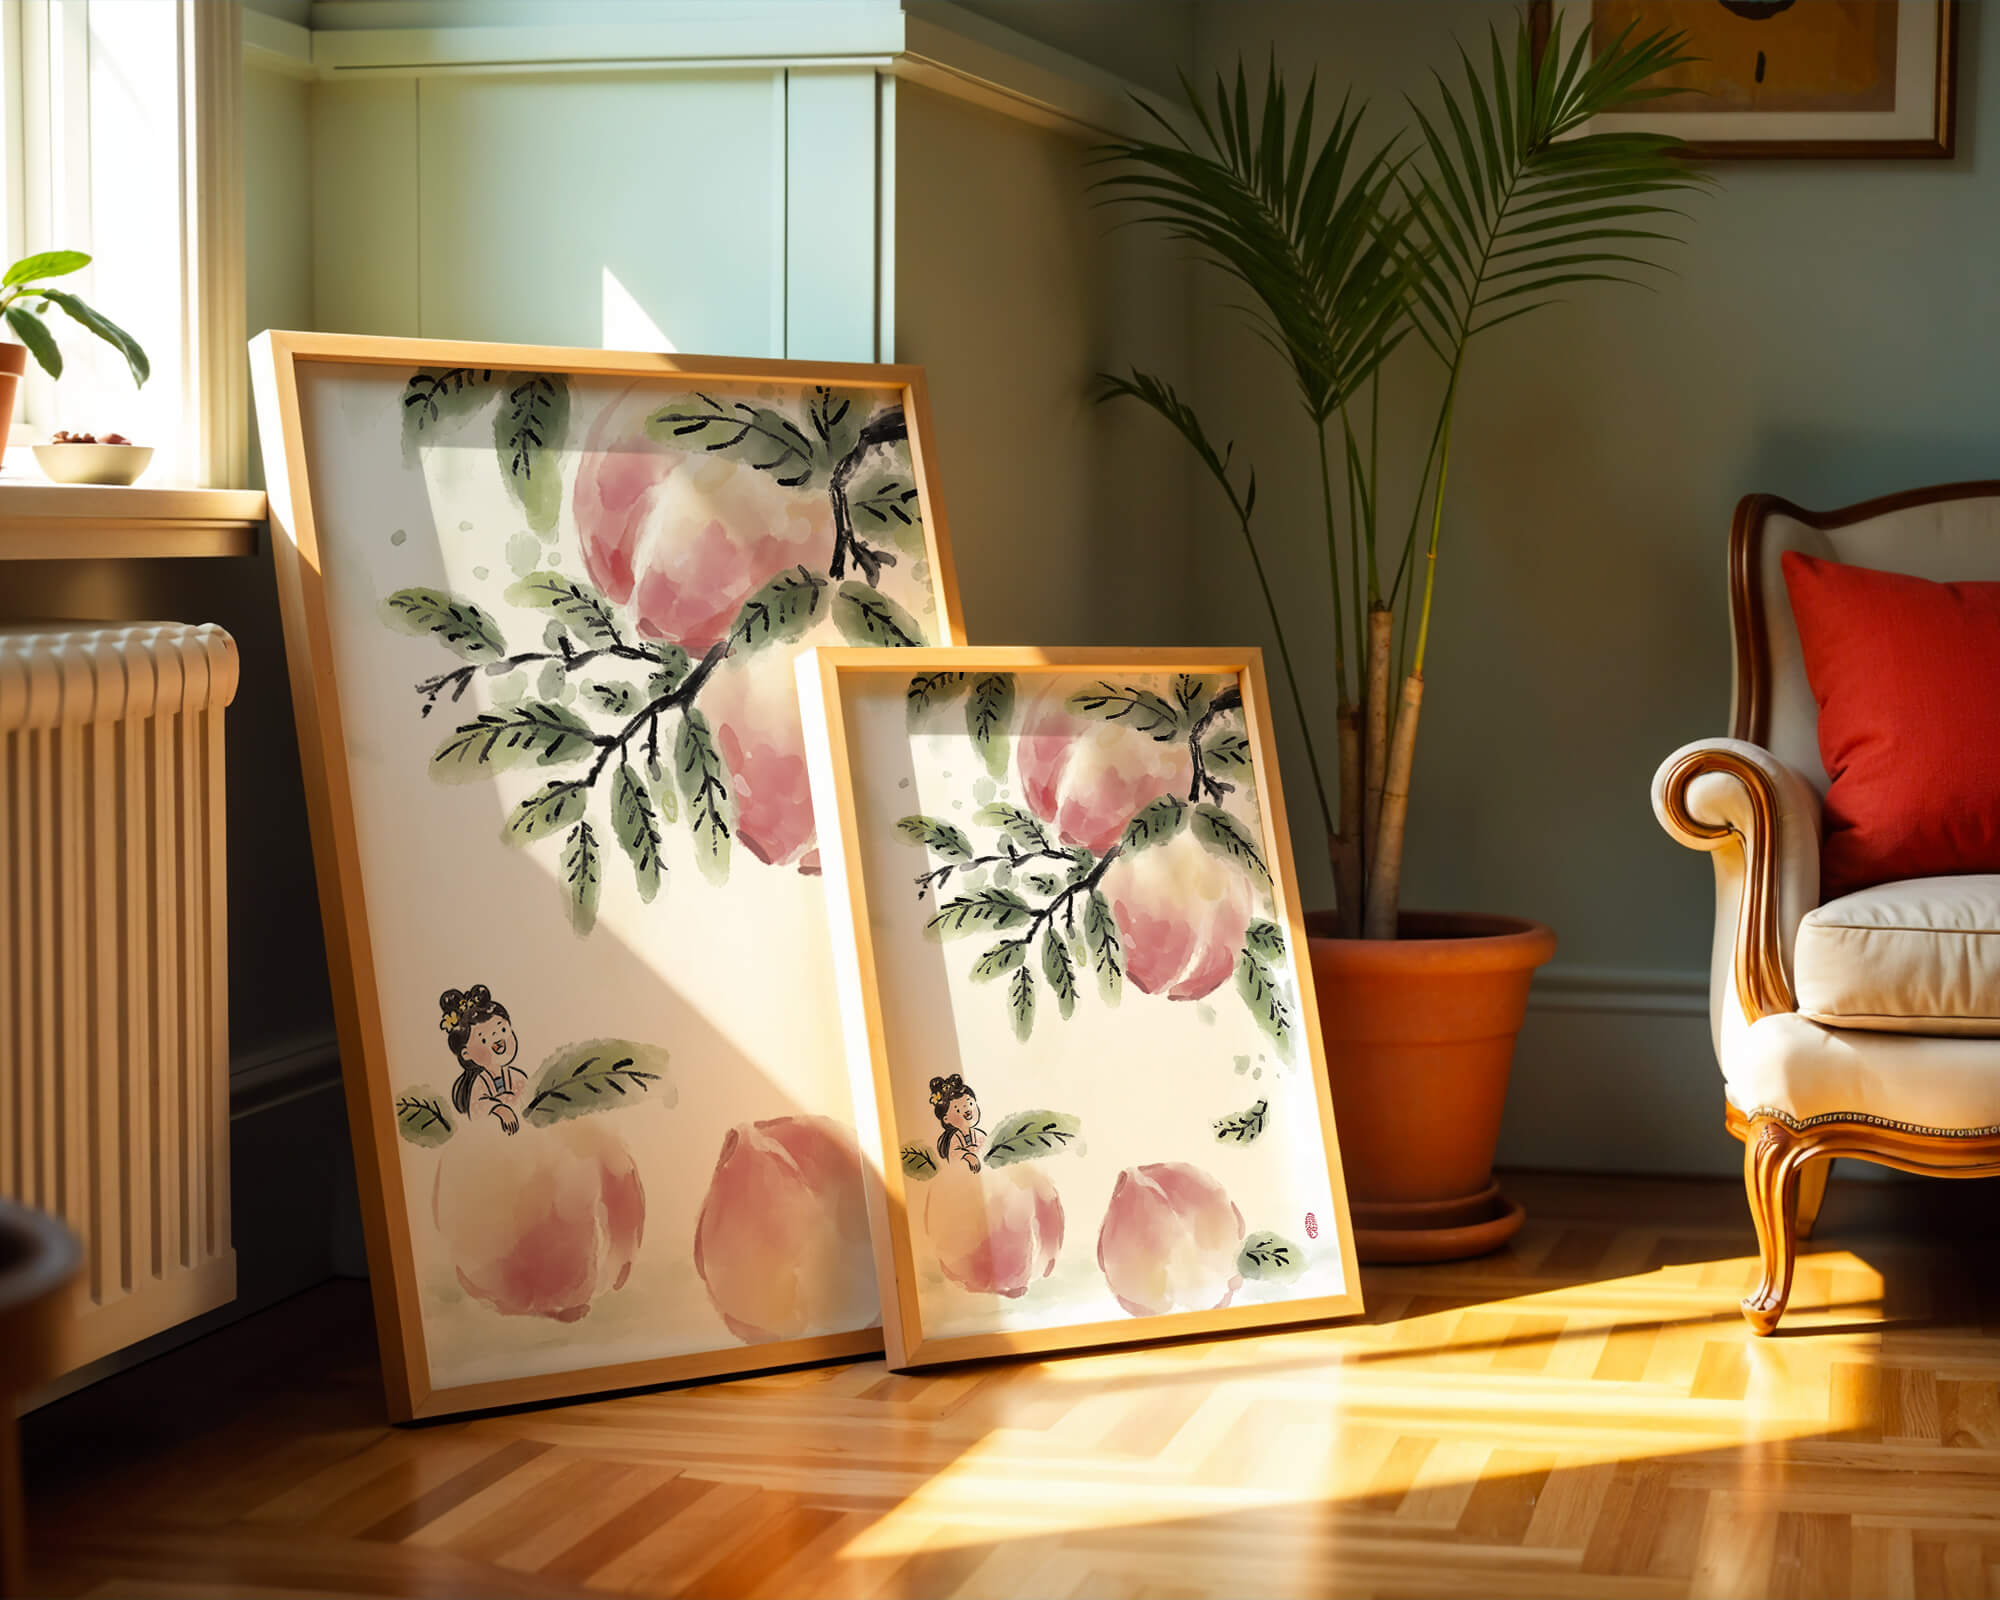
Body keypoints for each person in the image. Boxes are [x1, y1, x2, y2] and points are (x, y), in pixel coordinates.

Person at [441, 984, 527, 1135]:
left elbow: (528, 1099)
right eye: (484, 1039)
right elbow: (478, 1110)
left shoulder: (517, 1077)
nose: (499, 1038)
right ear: (466, 1053)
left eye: (503, 1029)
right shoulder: (480, 1084)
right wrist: (500, 1110)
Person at [929, 1073, 983, 1173]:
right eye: (958, 1110)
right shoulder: (955, 1138)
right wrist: (968, 1156)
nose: (967, 1110)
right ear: (946, 1119)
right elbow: (954, 1156)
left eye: (970, 1103)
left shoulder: (978, 1134)